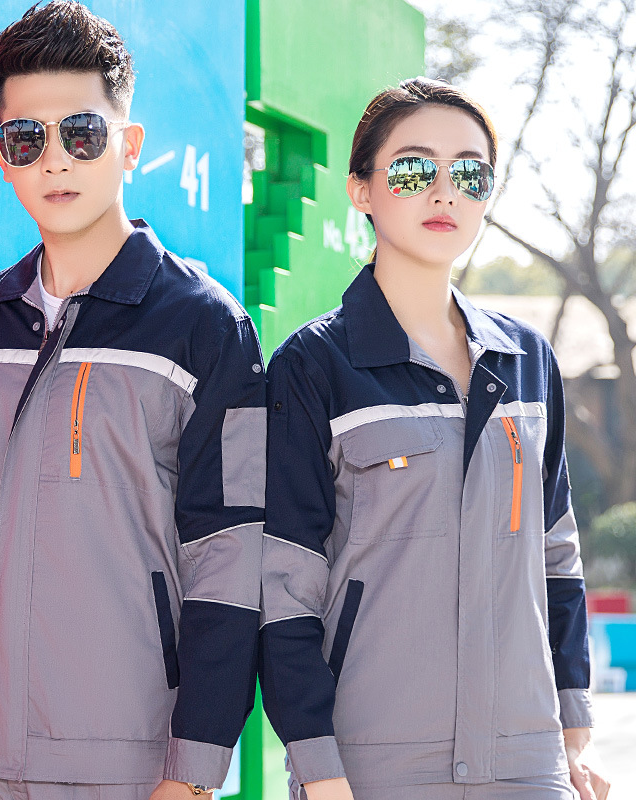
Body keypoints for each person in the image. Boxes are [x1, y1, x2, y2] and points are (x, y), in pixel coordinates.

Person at [0, 3, 265, 799]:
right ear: (2, 155)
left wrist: (194, 774)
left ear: (128, 145)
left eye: (81, 134)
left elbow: (230, 563)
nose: (55, 162)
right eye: (27, 139)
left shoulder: (205, 327)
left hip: (119, 765)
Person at [259, 77, 610, 800]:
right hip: (371, 762)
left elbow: (557, 553)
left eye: (470, 174)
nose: (445, 192)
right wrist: (317, 765)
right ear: (361, 190)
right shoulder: (315, 364)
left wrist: (573, 728)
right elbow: (286, 585)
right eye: (415, 170)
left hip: (527, 760)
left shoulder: (527, 360)